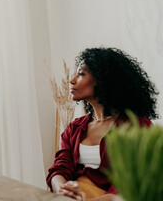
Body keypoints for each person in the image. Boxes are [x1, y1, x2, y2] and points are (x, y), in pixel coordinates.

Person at [46, 47, 159, 201]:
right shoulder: (74, 128)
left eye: (81, 74)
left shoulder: (138, 127)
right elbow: (59, 168)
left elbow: (134, 181)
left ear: (102, 80)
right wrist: (63, 191)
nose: (72, 80)